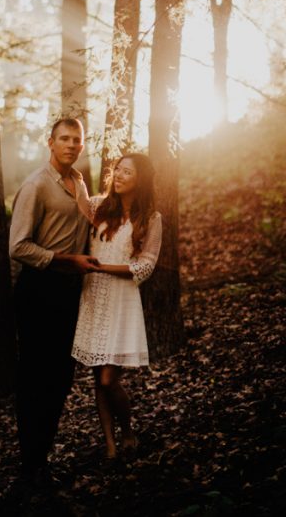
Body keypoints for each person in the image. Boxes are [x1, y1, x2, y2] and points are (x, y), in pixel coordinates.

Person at [9, 117, 100, 487]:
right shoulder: (35, 186)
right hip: (38, 290)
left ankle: (41, 460)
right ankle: (28, 466)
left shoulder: (79, 181)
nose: (71, 145)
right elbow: (18, 247)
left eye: (77, 140)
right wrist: (66, 260)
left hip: (68, 293)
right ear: (50, 142)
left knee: (60, 379)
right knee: (35, 379)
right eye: (64, 139)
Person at [72, 153, 163, 459]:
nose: (120, 175)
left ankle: (127, 431)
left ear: (141, 179)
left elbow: (145, 267)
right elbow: (77, 195)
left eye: (128, 172)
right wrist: (74, 173)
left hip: (122, 301)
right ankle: (110, 444)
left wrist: (101, 268)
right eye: (118, 170)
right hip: (94, 297)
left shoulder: (151, 218)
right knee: (98, 378)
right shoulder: (100, 207)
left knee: (109, 378)